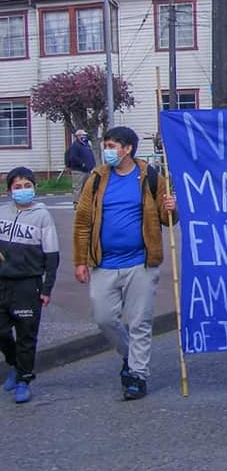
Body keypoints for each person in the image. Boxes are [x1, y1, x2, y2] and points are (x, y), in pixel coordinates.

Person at [73, 126, 177, 401]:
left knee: (140, 320)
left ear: (127, 148)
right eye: (106, 145)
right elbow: (83, 221)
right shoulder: (96, 179)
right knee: (104, 317)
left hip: (141, 262)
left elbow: (170, 220)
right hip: (103, 262)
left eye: (111, 145)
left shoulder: (151, 177)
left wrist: (171, 207)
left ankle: (137, 375)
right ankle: (130, 357)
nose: (108, 150)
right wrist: (80, 260)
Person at [0, 168, 59, 404]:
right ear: (9, 190)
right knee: (2, 331)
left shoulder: (42, 216)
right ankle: (14, 363)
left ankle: (24, 379)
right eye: (17, 186)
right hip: (2, 281)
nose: (23, 190)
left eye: (27, 185)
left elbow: (52, 255)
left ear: (34, 188)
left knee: (26, 334)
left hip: (28, 283)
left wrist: (47, 289)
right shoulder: (2, 212)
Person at [66, 128, 95, 207]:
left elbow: (90, 155)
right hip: (78, 170)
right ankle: (76, 203)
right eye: (83, 135)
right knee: (78, 187)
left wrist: (92, 164)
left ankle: (84, 203)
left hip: (87, 170)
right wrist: (82, 164)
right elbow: (73, 157)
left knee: (86, 188)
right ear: (78, 136)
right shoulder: (75, 146)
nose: (84, 136)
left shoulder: (86, 145)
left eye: (85, 135)